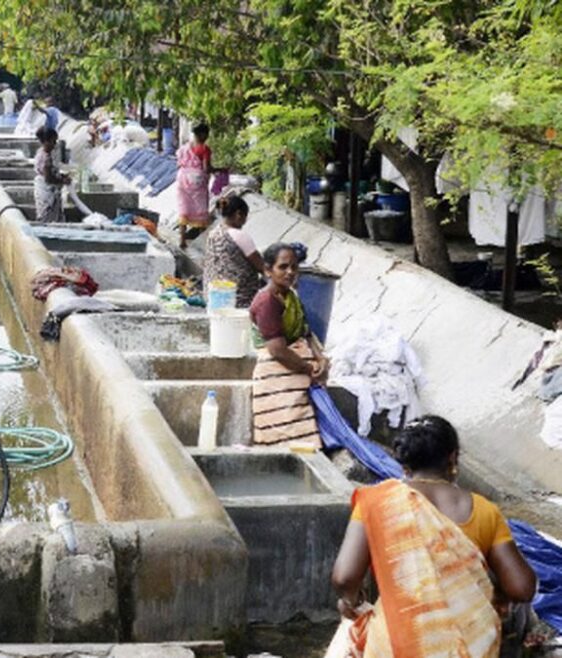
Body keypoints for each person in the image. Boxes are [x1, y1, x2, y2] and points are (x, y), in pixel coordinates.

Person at [330, 416, 537, 657]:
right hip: (471, 644)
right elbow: (522, 588)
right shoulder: (484, 510)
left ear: (404, 463)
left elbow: (344, 577)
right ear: (452, 458)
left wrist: (351, 602)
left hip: (399, 642)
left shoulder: (377, 503)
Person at [248, 242, 328, 447]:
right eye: (283, 267)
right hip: (276, 369)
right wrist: (308, 368)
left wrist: (320, 358)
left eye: (294, 267)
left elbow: (306, 332)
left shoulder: (290, 296)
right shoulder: (267, 301)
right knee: (286, 430)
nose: (290, 272)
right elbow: (277, 350)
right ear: (268, 270)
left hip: (296, 363)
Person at [203, 194, 264, 308]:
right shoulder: (240, 236)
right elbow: (261, 267)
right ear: (238, 214)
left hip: (213, 296)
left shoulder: (213, 233)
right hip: (238, 299)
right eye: (245, 217)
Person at [176, 123, 212, 248]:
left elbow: (178, 164)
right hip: (197, 180)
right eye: (206, 134)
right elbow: (206, 168)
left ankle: (182, 240)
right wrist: (219, 170)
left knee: (184, 208)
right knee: (200, 209)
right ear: (203, 134)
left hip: (182, 179)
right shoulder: (204, 149)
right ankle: (203, 244)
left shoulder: (184, 148)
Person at [34, 127, 69, 224]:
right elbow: (48, 179)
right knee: (49, 216)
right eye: (53, 141)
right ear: (45, 142)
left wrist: (61, 176)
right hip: (46, 191)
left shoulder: (41, 152)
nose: (54, 144)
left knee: (47, 215)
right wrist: (63, 181)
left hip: (43, 189)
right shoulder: (46, 159)